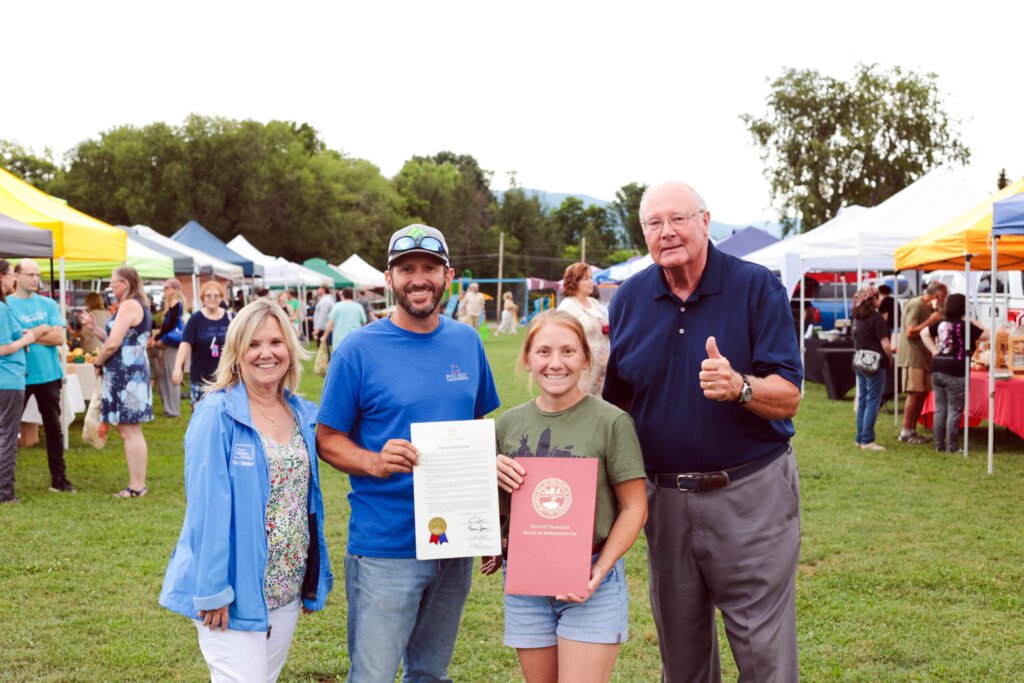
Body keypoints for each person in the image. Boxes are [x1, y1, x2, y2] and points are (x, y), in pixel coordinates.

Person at [603, 181, 803, 682]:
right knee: (682, 655)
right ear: (644, 233)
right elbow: (618, 404)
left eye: (678, 219)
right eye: (654, 223)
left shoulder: (757, 286)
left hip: (750, 494)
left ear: (706, 222)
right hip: (664, 500)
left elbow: (790, 392)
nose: (667, 232)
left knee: (763, 656)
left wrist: (740, 387)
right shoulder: (630, 298)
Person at [316, 223, 500, 683]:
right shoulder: (357, 349)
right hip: (386, 546)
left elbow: (477, 431)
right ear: (389, 279)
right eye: (407, 269)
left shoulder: (467, 342)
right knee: (374, 675)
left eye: (429, 268)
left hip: (454, 543)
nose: (419, 278)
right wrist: (375, 461)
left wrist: (488, 523)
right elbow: (327, 438)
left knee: (431, 675)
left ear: (448, 275)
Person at [160, 299, 333, 683]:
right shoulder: (216, 415)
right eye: (254, 344)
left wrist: (309, 579)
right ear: (236, 352)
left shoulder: (302, 413)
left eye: (275, 342)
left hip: (284, 590)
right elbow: (206, 511)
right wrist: (212, 592)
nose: (266, 353)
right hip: (232, 593)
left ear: (289, 348)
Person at [493, 310, 647, 682]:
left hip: (591, 577)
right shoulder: (508, 425)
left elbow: (635, 507)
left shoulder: (612, 422)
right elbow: (500, 512)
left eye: (568, 351)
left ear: (586, 359)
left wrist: (599, 569)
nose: (556, 363)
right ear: (528, 358)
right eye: (544, 352)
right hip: (526, 582)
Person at [80, 266, 154, 497]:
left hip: (127, 375)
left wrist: (97, 362)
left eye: (114, 282)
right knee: (129, 430)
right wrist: (94, 329)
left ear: (127, 283)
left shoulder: (129, 305)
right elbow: (115, 339)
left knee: (130, 430)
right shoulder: (134, 305)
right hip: (130, 372)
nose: (111, 287)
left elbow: (112, 345)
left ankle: (137, 486)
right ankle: (137, 484)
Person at [7, 259, 76, 494]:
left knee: (54, 427)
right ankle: (5, 482)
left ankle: (59, 479)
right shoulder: (7, 305)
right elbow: (11, 339)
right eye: (30, 275)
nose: (35, 279)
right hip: (18, 375)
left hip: (48, 374)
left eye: (38, 275)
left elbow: (59, 338)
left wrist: (28, 336)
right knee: (7, 429)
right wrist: (42, 329)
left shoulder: (47, 303)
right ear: (16, 277)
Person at [928, 293, 989, 453]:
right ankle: (952, 447)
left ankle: (939, 445)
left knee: (940, 409)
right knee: (954, 410)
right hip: (956, 369)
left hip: (937, 368)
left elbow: (923, 333)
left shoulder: (941, 323)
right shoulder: (966, 326)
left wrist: (934, 350)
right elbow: (988, 335)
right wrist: (973, 320)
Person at [0, 259, 38, 504]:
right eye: (11, 274)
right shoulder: (2, 309)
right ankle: (4, 492)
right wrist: (28, 339)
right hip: (8, 379)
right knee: (7, 435)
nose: (14, 278)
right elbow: (3, 348)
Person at [896, 281, 947, 444]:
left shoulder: (929, 307)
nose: (944, 300)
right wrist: (930, 321)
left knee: (923, 392)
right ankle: (905, 431)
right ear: (937, 295)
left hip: (924, 356)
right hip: (913, 355)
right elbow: (910, 331)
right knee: (915, 392)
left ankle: (912, 430)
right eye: (944, 296)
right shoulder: (916, 305)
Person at [172, 281, 231, 407]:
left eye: (216, 296)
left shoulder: (230, 318)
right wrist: (178, 367)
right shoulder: (195, 319)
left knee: (225, 413)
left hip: (225, 376)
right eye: (208, 296)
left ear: (221, 297)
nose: (212, 299)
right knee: (200, 414)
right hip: (201, 376)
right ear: (202, 298)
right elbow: (185, 344)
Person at [852, 286, 894, 452]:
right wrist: (890, 358)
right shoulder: (876, 318)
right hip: (876, 363)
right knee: (872, 401)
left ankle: (859, 437)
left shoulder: (857, 318)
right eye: (878, 297)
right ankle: (867, 440)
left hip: (860, 362)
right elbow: (886, 344)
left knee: (863, 399)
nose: (880, 300)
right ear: (873, 300)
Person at [558, 262, 610, 395]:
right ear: (574, 282)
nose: (591, 282)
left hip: (602, 369)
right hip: (581, 369)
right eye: (585, 278)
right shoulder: (567, 307)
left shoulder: (595, 304)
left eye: (591, 278)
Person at [151, 278, 185, 418]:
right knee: (166, 376)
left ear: (174, 289)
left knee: (171, 376)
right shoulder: (172, 304)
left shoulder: (175, 303)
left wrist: (157, 338)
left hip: (171, 344)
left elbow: (169, 325)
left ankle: (172, 410)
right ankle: (169, 408)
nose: (164, 291)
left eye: (167, 288)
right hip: (169, 343)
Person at [323, 287, 366, 353]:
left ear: (342, 295)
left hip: (339, 341)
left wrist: (324, 336)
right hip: (355, 339)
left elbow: (331, 323)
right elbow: (364, 324)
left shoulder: (337, 306)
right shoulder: (358, 307)